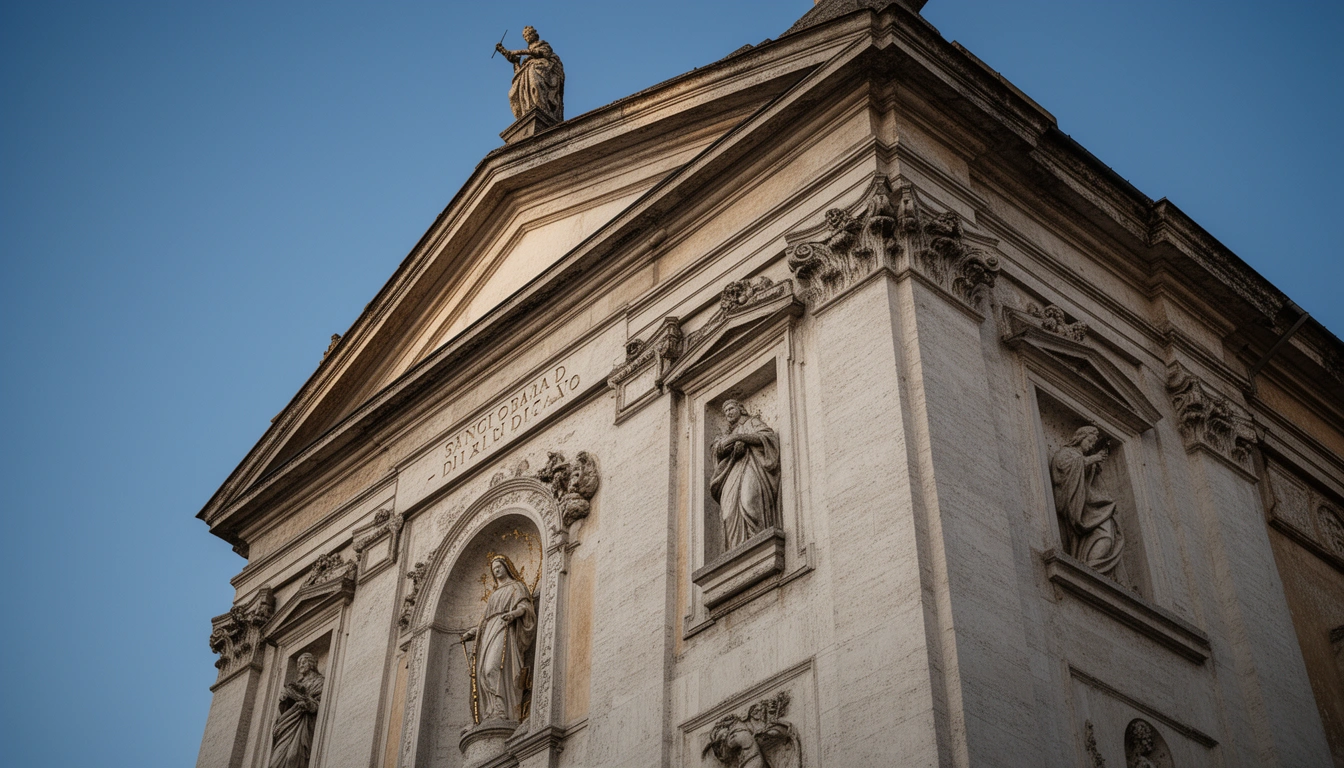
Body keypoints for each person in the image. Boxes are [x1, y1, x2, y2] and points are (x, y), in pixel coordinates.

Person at [461, 555, 536, 723]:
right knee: (482, 673)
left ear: (506, 567)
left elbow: (525, 607)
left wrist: (513, 614)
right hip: (489, 631)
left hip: (505, 628)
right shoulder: (494, 594)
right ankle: (492, 710)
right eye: (494, 569)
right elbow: (485, 620)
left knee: (492, 668)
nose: (496, 570)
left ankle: (503, 709)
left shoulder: (517, 587)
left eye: (499, 567)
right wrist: (473, 632)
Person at [1050, 426, 1125, 577]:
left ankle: (1094, 566)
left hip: (1089, 505)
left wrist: (1094, 466)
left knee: (1109, 530)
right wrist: (1092, 459)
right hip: (1076, 506)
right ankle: (1091, 567)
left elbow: (1090, 485)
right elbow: (1063, 470)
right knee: (1105, 532)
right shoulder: (1065, 453)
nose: (1091, 445)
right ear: (1080, 438)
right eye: (1089, 441)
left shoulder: (1082, 457)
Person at [709, 399, 781, 552]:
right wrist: (730, 445)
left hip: (751, 466)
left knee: (749, 502)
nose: (728, 413)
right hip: (731, 471)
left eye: (731, 408)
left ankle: (758, 541)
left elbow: (768, 437)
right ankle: (735, 550)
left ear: (740, 409)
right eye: (725, 411)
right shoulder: (725, 434)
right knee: (728, 514)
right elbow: (717, 451)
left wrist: (740, 438)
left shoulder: (752, 422)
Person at [495, 26, 564, 123]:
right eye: (525, 36)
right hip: (529, 69)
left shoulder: (542, 44)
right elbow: (516, 61)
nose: (527, 37)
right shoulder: (528, 57)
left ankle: (541, 107)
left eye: (529, 34)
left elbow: (544, 54)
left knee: (534, 80)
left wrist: (518, 52)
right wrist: (504, 51)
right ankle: (527, 110)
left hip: (543, 68)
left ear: (535, 35)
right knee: (512, 93)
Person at [269, 653, 323, 768]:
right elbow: (284, 709)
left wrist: (306, 701)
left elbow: (317, 704)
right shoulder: (296, 684)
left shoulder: (319, 681)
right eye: (299, 663)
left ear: (312, 664)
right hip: (288, 723)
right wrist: (285, 700)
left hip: (304, 723)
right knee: (275, 762)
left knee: (292, 756)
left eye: (304, 662)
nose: (300, 666)